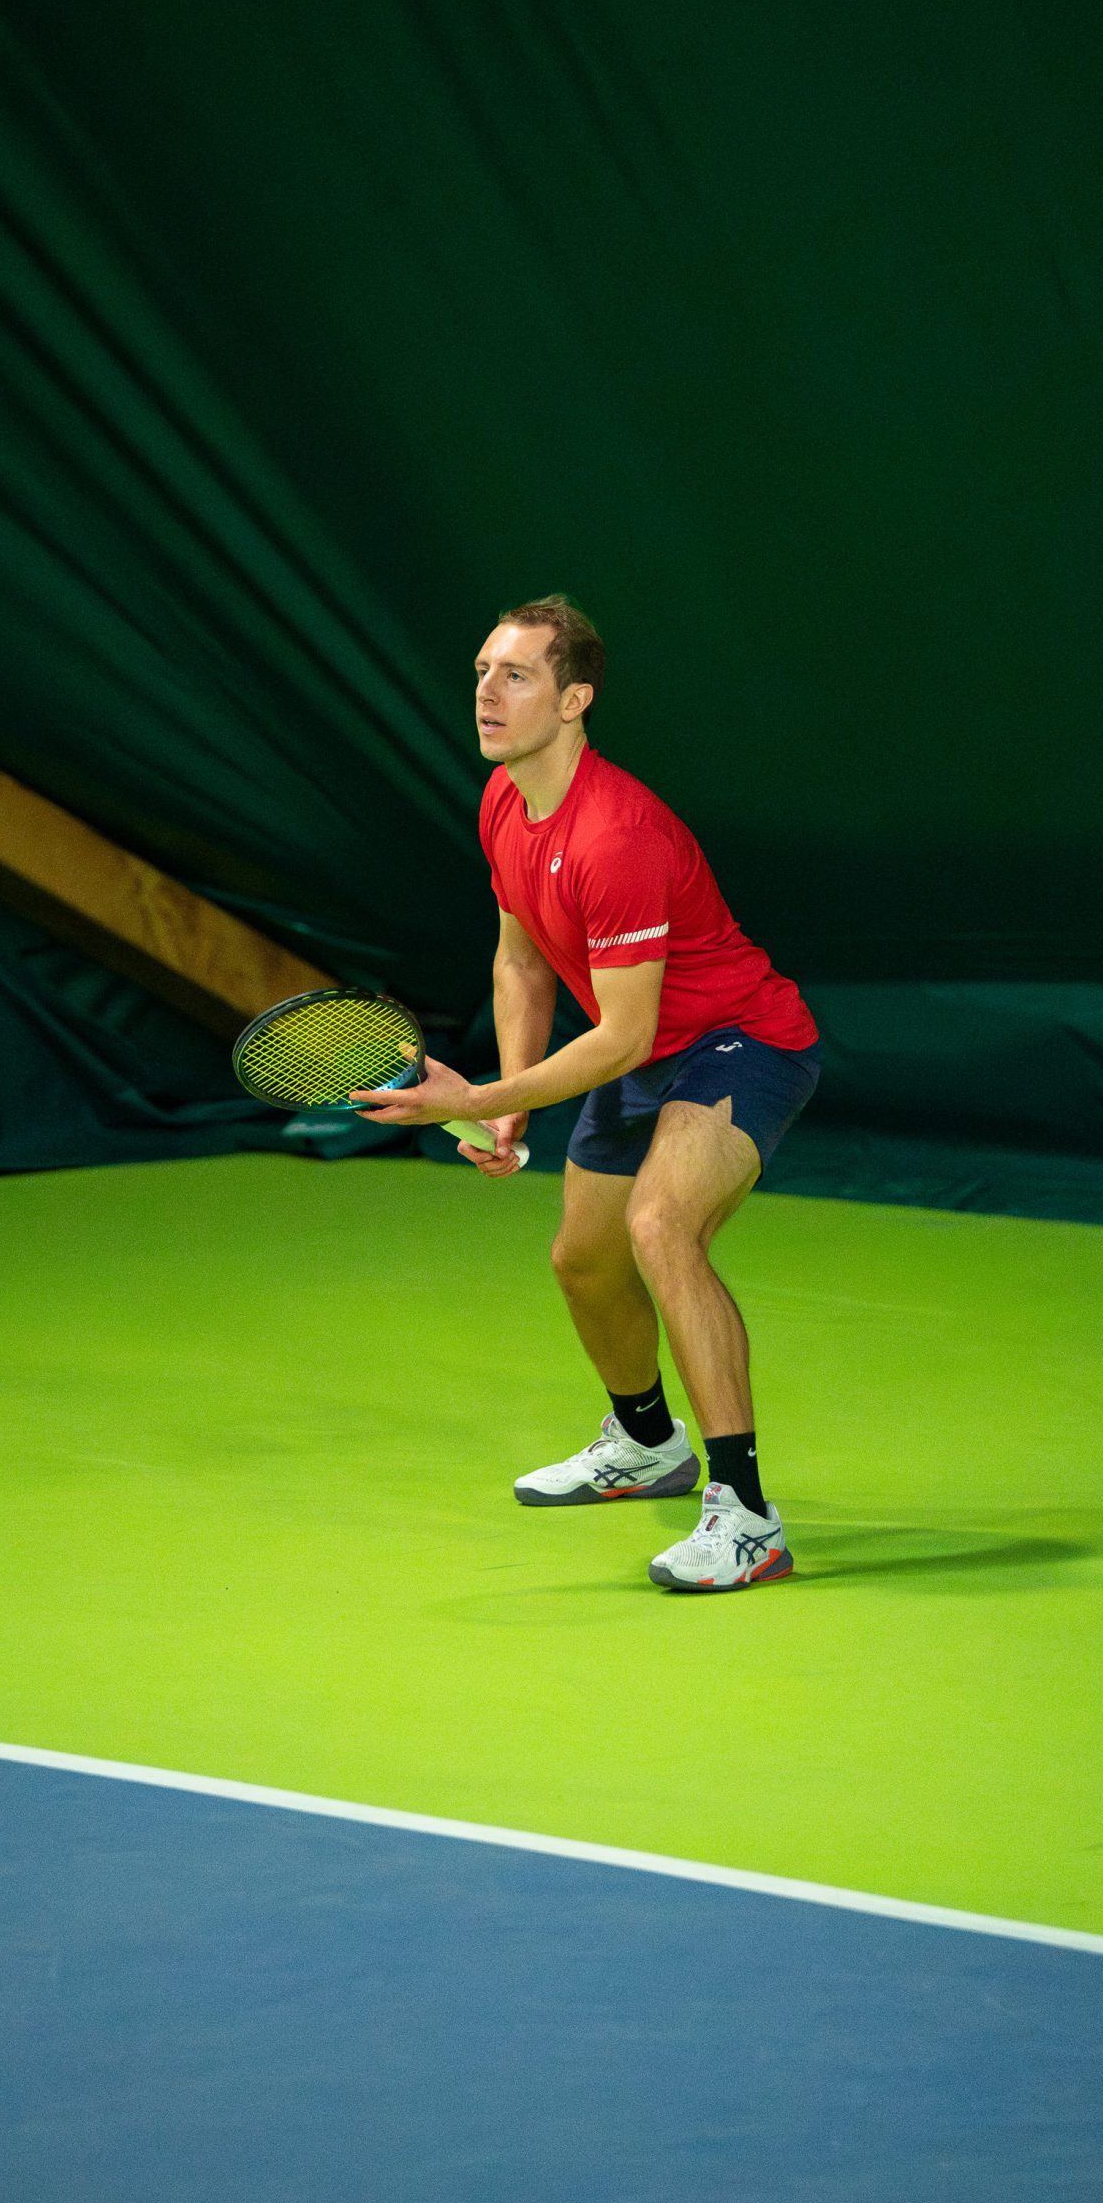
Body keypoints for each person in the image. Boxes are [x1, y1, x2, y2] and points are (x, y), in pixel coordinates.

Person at [353, 594, 820, 1593]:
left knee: (660, 1228)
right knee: (583, 1261)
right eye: (482, 671)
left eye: (515, 676)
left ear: (574, 699)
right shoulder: (504, 800)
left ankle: (746, 1518)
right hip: (645, 1056)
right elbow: (520, 961)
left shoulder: (617, 835)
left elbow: (624, 1033)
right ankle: (647, 1444)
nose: (486, 693)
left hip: (740, 1045)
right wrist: (508, 1105)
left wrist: (475, 1096)